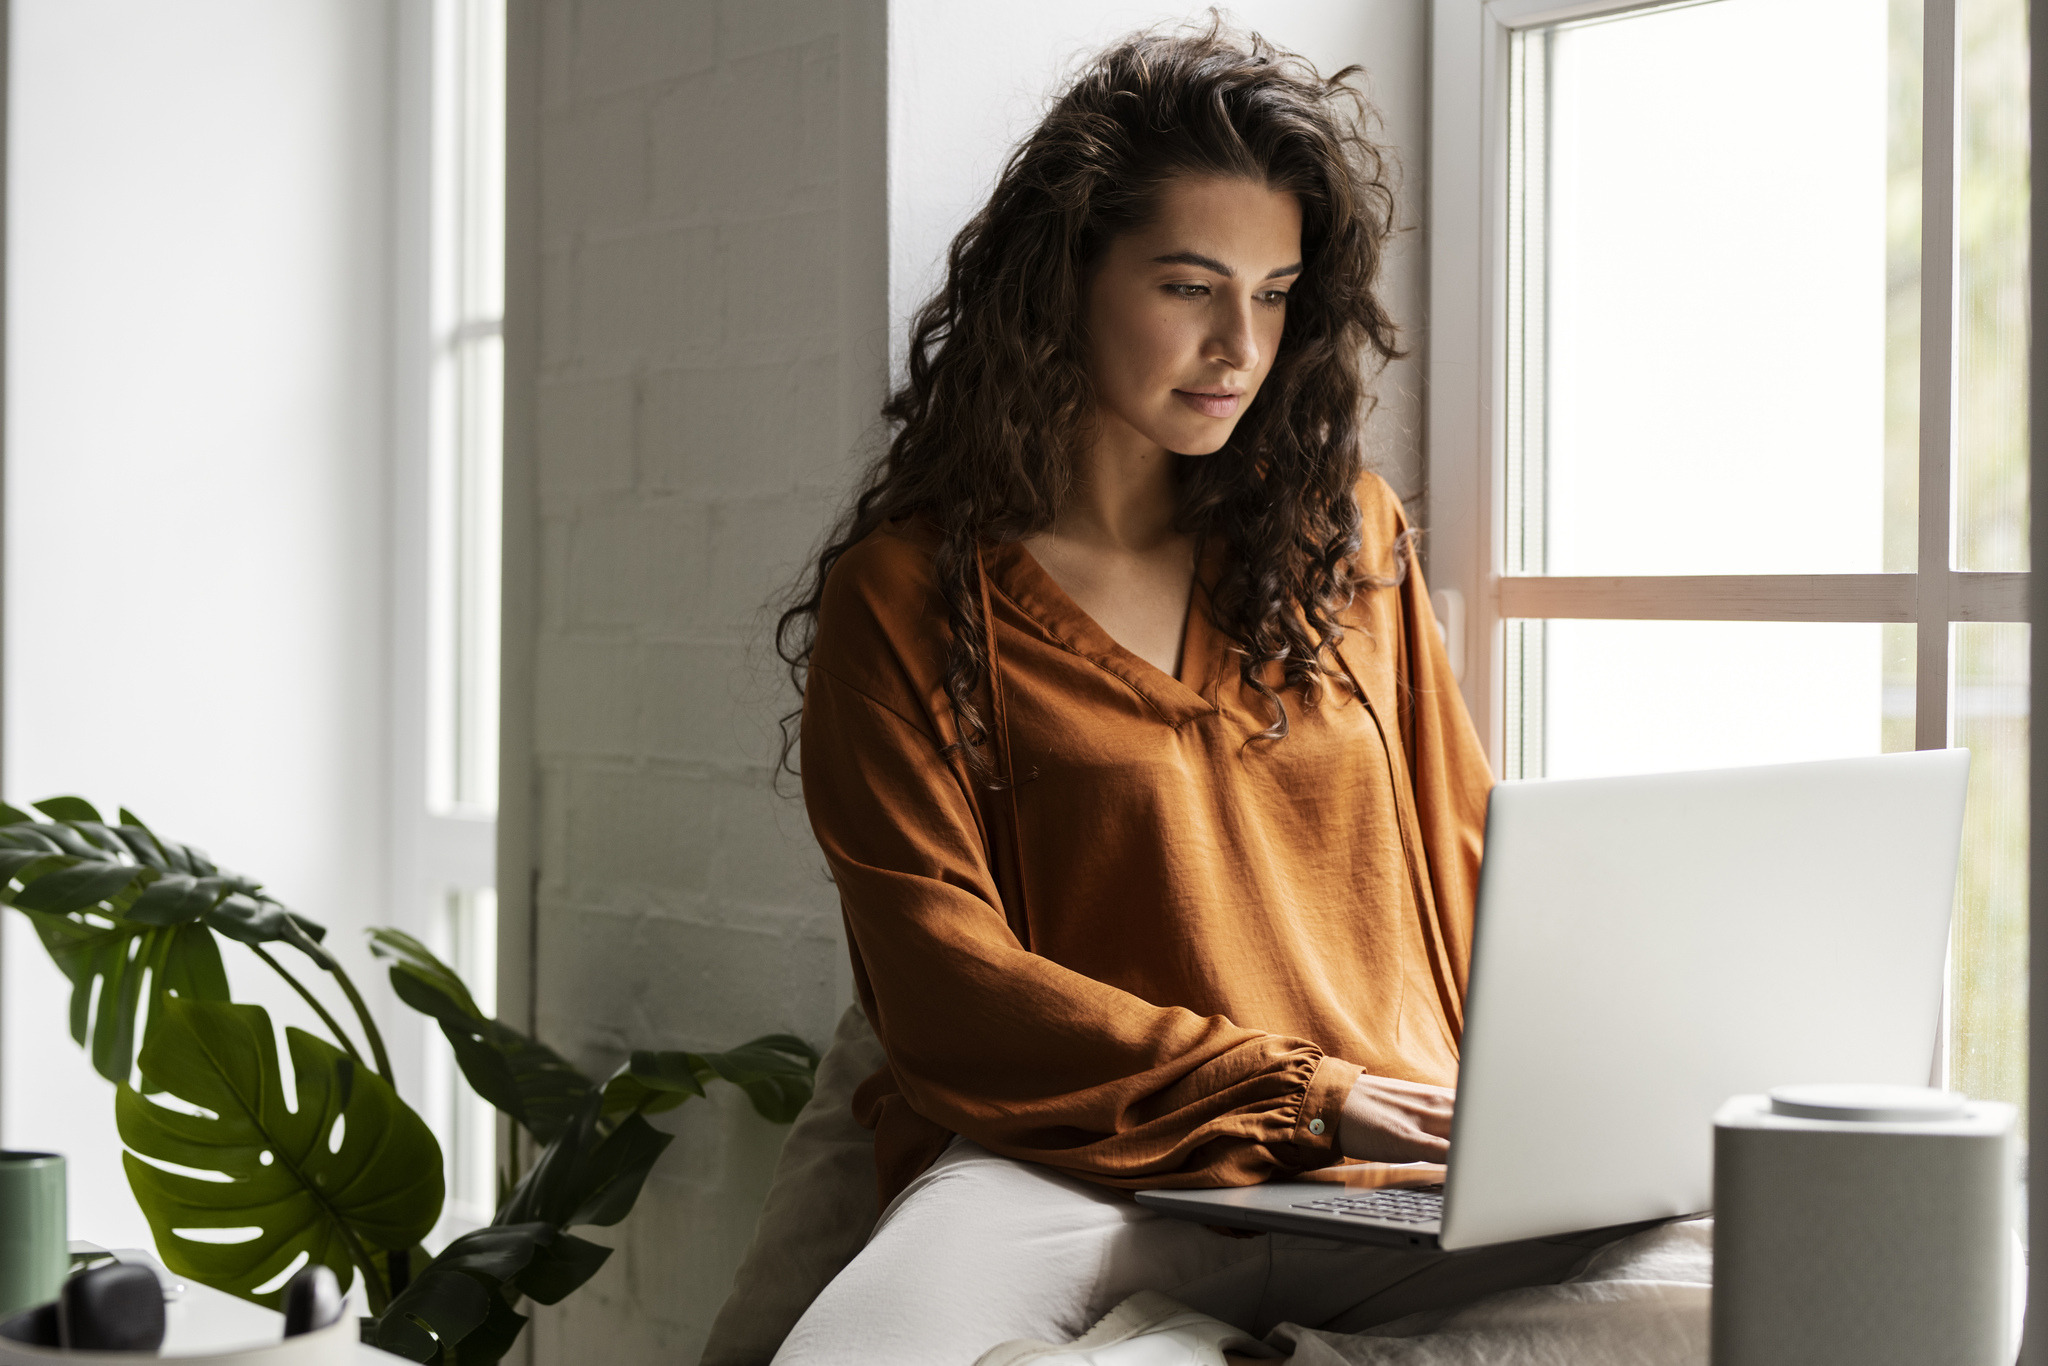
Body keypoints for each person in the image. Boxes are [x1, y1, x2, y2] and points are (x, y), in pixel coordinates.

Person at [768, 21, 1613, 1365]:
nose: (1240, 343)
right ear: (1066, 281)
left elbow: (1467, 857)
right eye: (1190, 284)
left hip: (1389, 1167)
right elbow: (947, 988)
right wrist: (1301, 1094)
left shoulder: (1348, 539)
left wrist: (1554, 1097)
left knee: (1744, 1274)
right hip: (1080, 1168)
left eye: (1276, 293)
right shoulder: (912, 596)